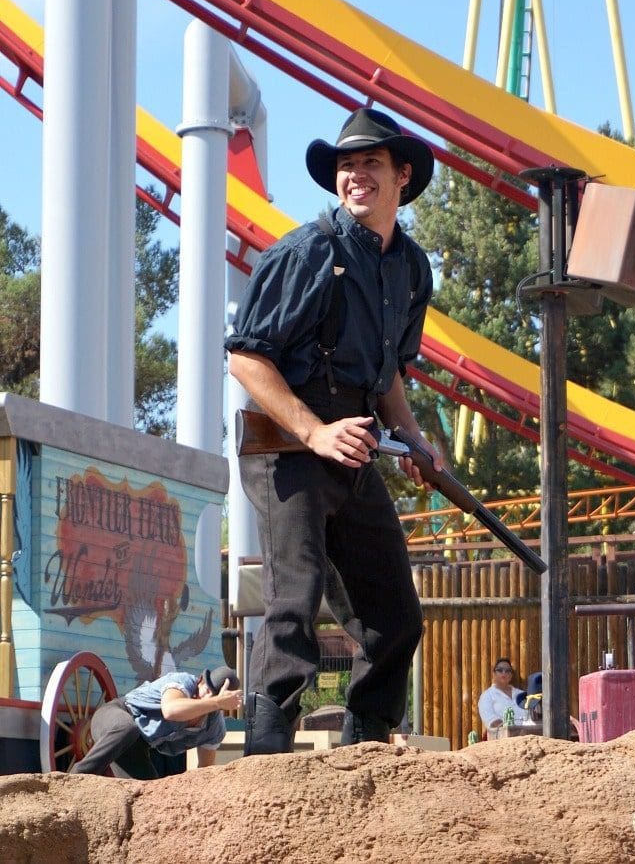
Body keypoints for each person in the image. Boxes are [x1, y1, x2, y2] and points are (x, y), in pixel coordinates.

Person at [225, 106, 442, 754]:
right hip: (287, 447)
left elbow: (388, 377)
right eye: (347, 165)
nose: (355, 176)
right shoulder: (305, 253)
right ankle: (268, 757)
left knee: (395, 616)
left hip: (355, 445)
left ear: (402, 175)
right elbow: (245, 358)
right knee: (295, 598)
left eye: (370, 163)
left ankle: (365, 750)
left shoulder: (410, 267)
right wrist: (316, 433)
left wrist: (415, 438)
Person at [71, 665, 242, 778]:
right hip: (117, 714)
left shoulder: (214, 728)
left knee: (147, 796)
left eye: (216, 696)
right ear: (200, 681)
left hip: (136, 747)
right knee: (128, 728)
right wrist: (216, 702)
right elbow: (171, 710)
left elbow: (205, 769)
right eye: (207, 690)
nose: (207, 697)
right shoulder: (182, 682)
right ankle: (73, 779)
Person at [477, 657, 529, 731]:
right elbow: (492, 721)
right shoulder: (487, 696)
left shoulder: (522, 694)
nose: (504, 673)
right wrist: (513, 731)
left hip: (528, 736)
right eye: (500, 670)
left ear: (511, 675)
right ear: (494, 674)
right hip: (502, 739)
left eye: (508, 671)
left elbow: (532, 717)